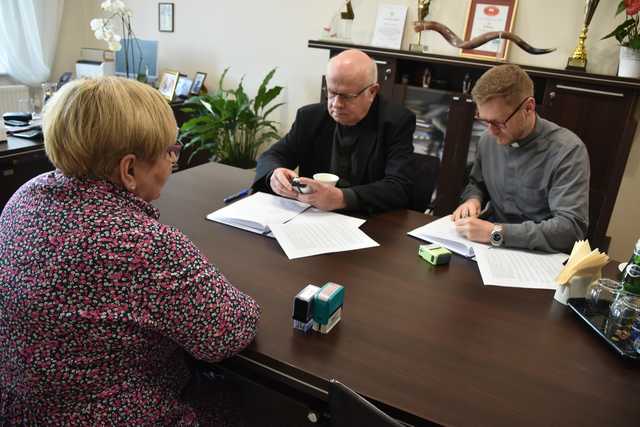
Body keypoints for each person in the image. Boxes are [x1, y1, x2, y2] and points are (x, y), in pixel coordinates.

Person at [0, 77, 261, 425]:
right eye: (171, 152)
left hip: (23, 409)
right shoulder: (143, 245)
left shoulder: (24, 197)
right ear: (129, 169)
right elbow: (226, 333)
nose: (173, 162)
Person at [252, 49, 416, 214]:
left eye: (347, 96)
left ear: (372, 92)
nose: (336, 104)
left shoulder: (396, 122)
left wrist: (342, 198)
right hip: (312, 216)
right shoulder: (310, 117)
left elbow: (399, 187)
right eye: (331, 92)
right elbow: (272, 156)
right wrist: (274, 175)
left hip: (368, 220)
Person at [452, 64, 590, 253]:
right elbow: (477, 183)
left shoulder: (568, 151)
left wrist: (497, 232)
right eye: (484, 120)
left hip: (539, 257)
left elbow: (570, 229)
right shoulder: (488, 140)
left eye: (498, 122)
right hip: (488, 249)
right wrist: (472, 200)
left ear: (528, 107)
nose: (491, 131)